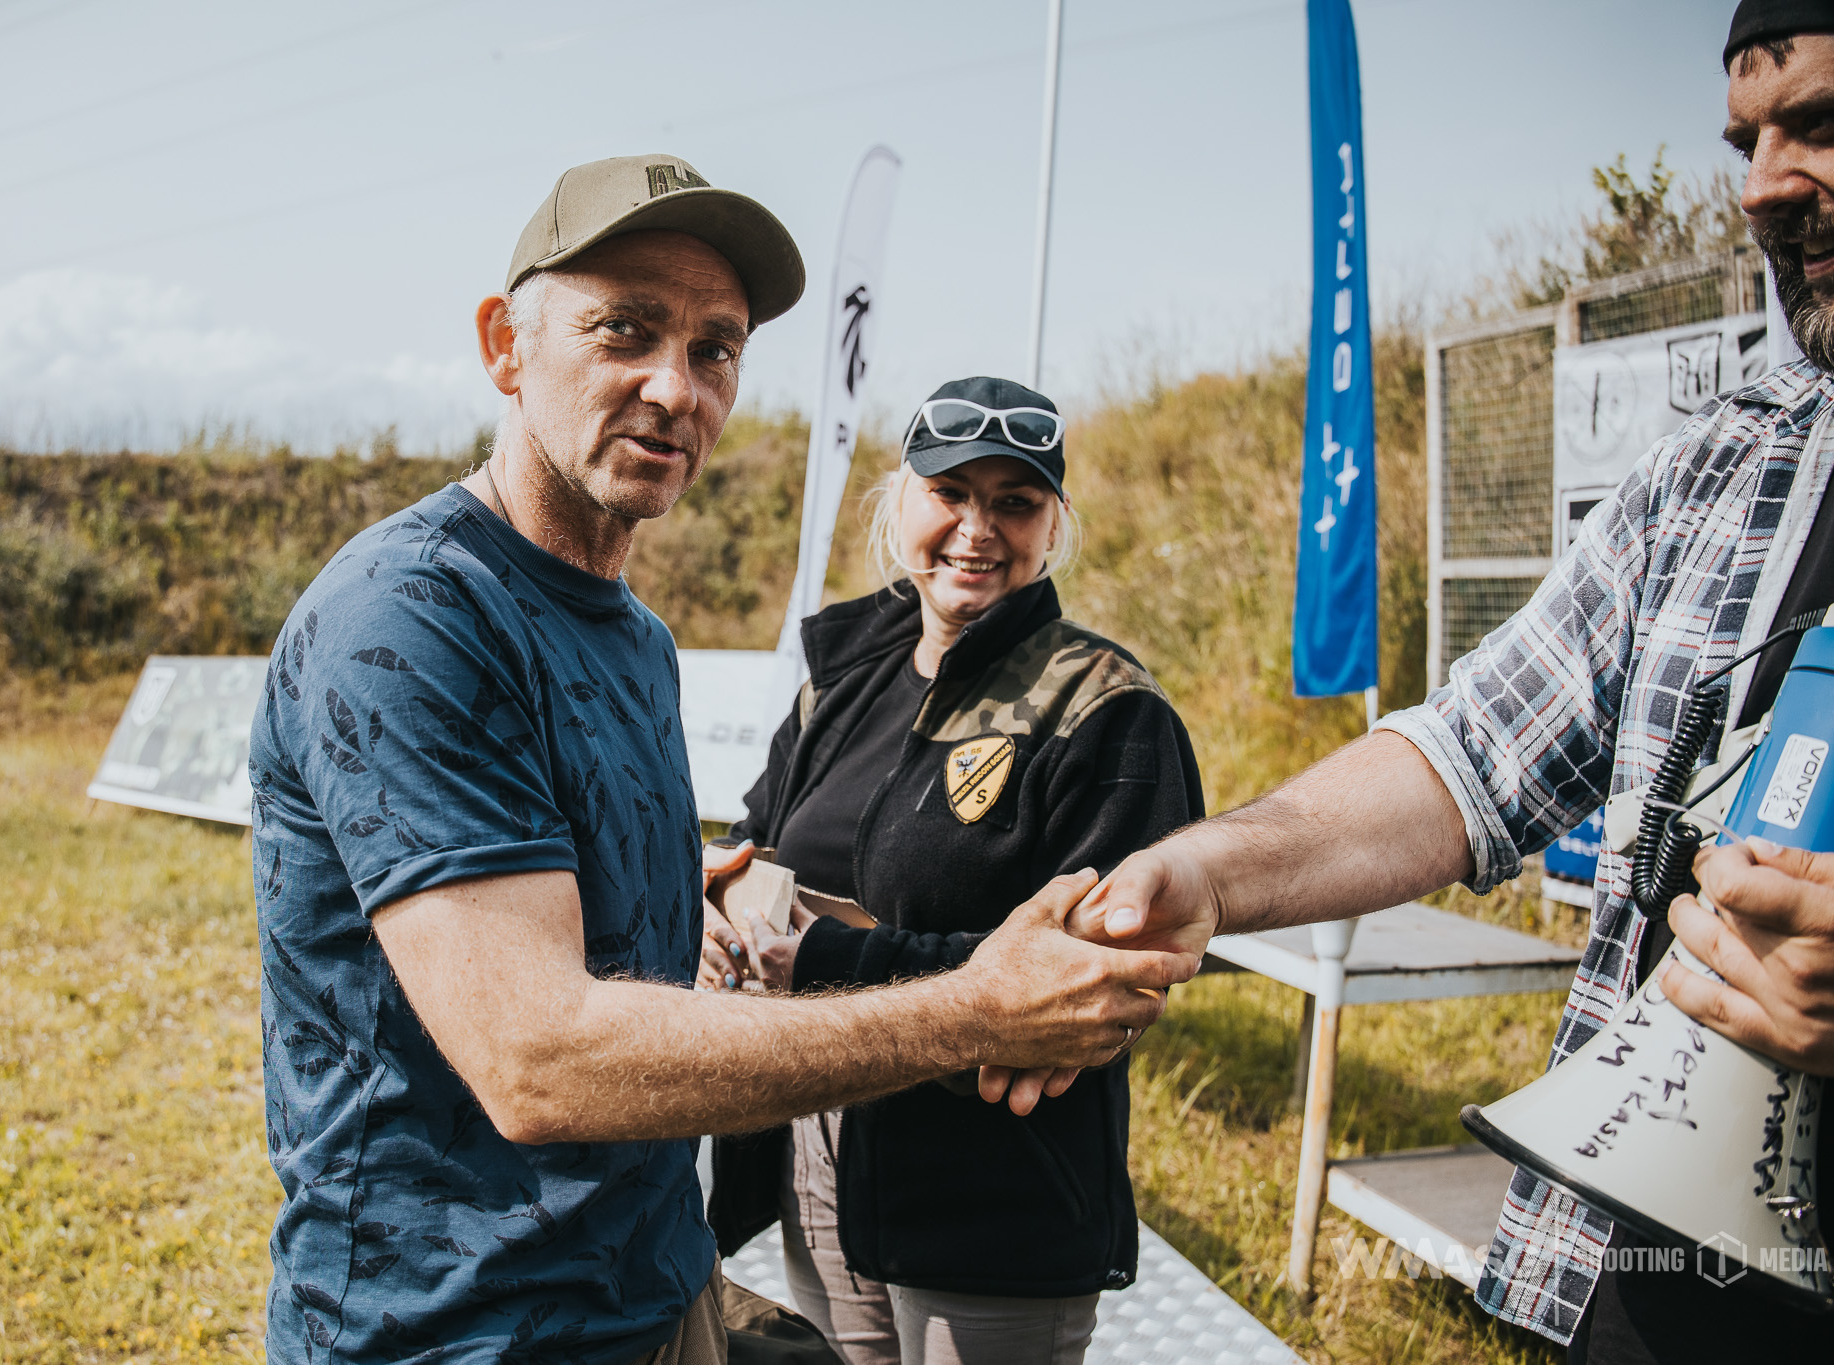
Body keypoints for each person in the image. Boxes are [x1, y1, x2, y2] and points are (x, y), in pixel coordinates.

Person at [248, 154, 1194, 1365]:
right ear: (503, 345)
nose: (674, 388)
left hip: (660, 1279)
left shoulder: (633, 634)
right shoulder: (412, 617)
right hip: (454, 1327)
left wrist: (679, 901)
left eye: (715, 348)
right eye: (623, 330)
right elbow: (540, 1059)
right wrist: (965, 1006)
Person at [1026, 9, 1834, 1362]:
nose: (1765, 182)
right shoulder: (1719, 465)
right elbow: (1469, 753)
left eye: (1825, 124)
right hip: (1644, 1290)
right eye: (1747, 139)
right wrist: (1204, 871)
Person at [692, 376, 1204, 1365]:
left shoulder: (1107, 714)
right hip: (813, 1134)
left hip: (991, 1189)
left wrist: (823, 959)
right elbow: (758, 835)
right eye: (949, 492)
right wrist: (720, 899)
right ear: (900, 505)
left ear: (1053, 526)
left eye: (1014, 502)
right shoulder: (845, 675)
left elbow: (1100, 978)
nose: (977, 527)